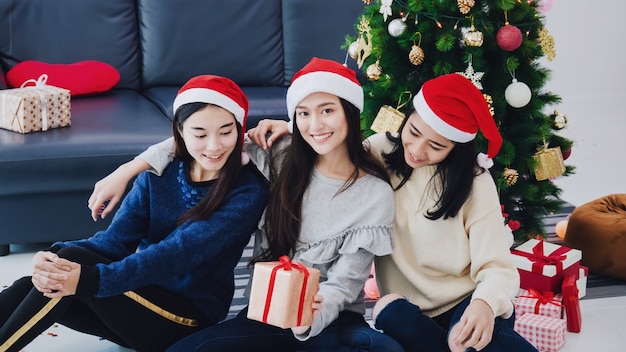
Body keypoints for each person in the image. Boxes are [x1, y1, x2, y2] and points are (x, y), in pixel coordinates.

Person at [86, 58, 404, 351]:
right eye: (304, 114)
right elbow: (202, 135)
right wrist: (127, 170)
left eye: (327, 110)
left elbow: (347, 282)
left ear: (350, 110)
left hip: (329, 318)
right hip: (266, 312)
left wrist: (311, 319)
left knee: (384, 348)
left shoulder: (374, 193)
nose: (315, 125)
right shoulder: (280, 154)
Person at [247, 73, 539, 351]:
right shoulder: (378, 151)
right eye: (413, 132)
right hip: (406, 313)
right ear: (407, 118)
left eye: (436, 146)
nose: (417, 149)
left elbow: (499, 267)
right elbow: (330, 146)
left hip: (467, 300)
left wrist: (485, 304)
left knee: (477, 340)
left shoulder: (475, 181)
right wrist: (294, 128)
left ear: (456, 148)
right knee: (392, 314)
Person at [0, 75, 269, 352]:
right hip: (137, 299)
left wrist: (90, 279)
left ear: (239, 131)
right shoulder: (158, 174)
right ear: (180, 131)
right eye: (200, 134)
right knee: (46, 276)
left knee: (66, 270)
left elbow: (175, 254)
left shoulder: (247, 191)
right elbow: (114, 243)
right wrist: (51, 256)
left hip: (185, 317)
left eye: (226, 132)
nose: (214, 146)